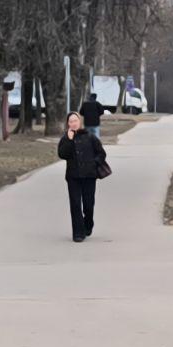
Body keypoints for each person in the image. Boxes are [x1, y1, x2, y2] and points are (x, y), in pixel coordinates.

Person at [56, 103, 109, 242]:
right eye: (71, 121)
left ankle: (88, 223)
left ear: (80, 122)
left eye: (75, 120)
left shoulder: (90, 137)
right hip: (73, 177)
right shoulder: (66, 138)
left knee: (88, 205)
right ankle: (78, 233)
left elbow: (101, 154)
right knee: (75, 205)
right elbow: (62, 154)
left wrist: (94, 163)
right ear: (68, 124)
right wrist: (69, 140)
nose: (73, 123)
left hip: (89, 176)